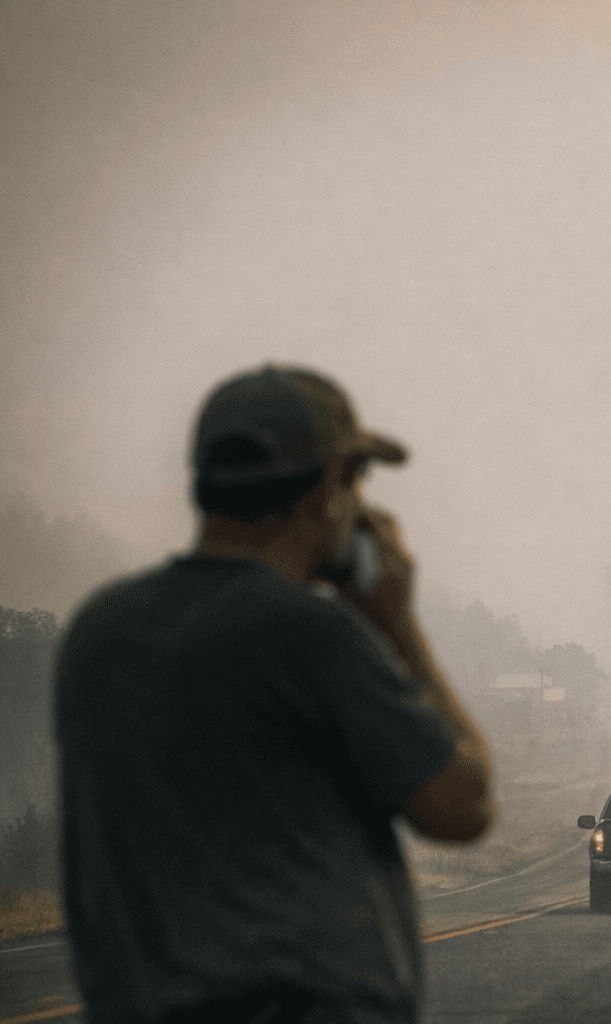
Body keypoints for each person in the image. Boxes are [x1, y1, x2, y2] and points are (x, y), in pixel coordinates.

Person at [55, 366, 494, 1024]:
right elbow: (463, 805)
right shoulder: (311, 635)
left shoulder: (99, 632)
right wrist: (397, 621)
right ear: (332, 485)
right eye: (358, 479)